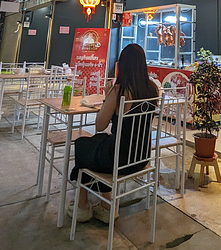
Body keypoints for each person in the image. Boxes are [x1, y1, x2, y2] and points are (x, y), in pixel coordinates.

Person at [67, 43, 159, 223]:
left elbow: (100, 124)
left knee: (83, 145)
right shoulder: (152, 89)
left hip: (120, 159)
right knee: (98, 142)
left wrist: (108, 96)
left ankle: (83, 206)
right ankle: (106, 206)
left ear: (122, 65)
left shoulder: (120, 90)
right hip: (141, 157)